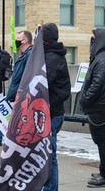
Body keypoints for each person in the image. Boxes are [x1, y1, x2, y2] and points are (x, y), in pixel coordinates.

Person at [80, 28, 105, 188]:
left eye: (94, 38)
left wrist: (85, 100)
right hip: (103, 106)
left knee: (102, 141)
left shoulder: (103, 59)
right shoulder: (103, 57)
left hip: (99, 107)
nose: (91, 40)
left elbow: (97, 84)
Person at [40, 23, 71, 191]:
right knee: (46, 154)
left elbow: (44, 84)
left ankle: (51, 188)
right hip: (51, 112)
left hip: (52, 113)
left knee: (49, 155)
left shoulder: (52, 58)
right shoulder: (49, 55)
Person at [5, 30, 33, 103]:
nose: (15, 40)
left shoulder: (30, 54)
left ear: (24, 41)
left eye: (18, 38)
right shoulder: (24, 55)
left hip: (21, 97)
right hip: (17, 96)